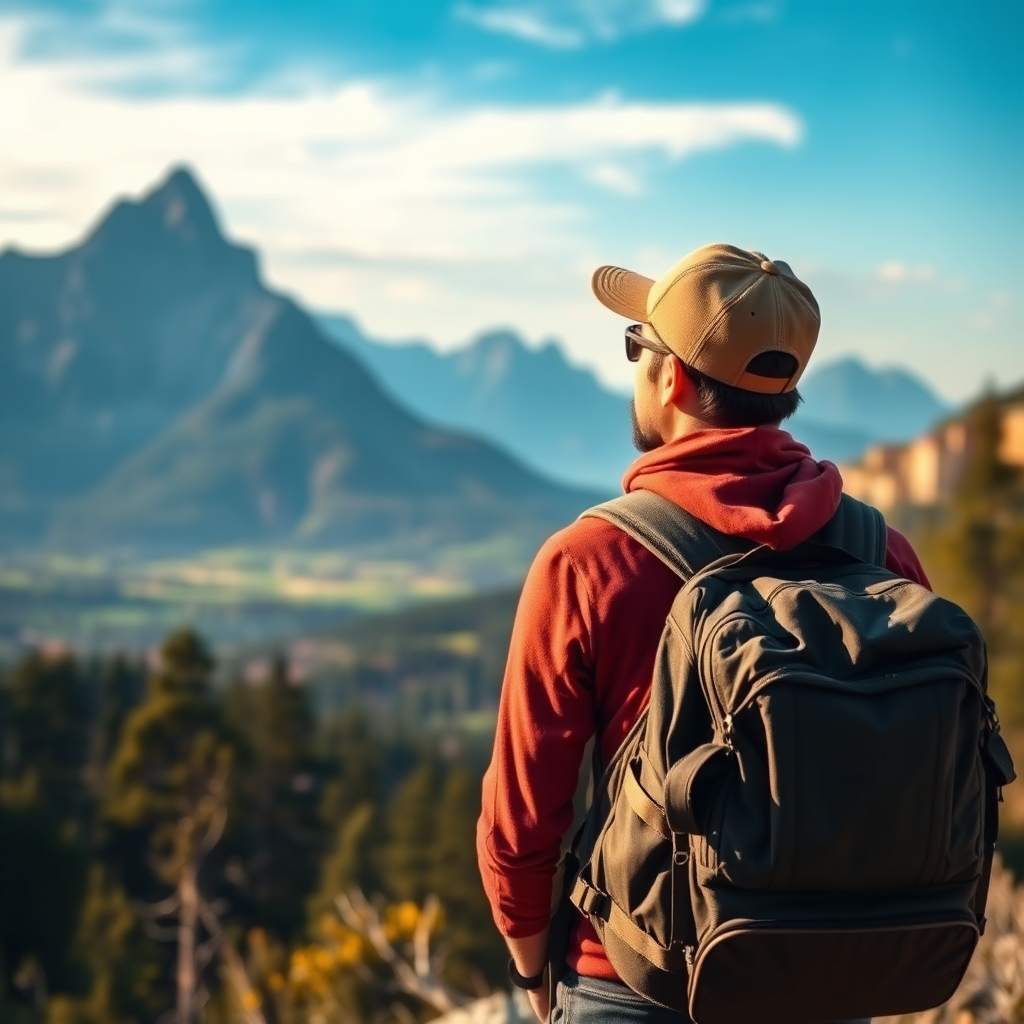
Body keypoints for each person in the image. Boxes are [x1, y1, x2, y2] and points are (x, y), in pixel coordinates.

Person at [475, 243, 932, 1023]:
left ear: (672, 377)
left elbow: (523, 818)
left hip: (638, 980)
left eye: (636, 347)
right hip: (836, 979)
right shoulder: (880, 552)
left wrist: (532, 968)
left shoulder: (590, 562)